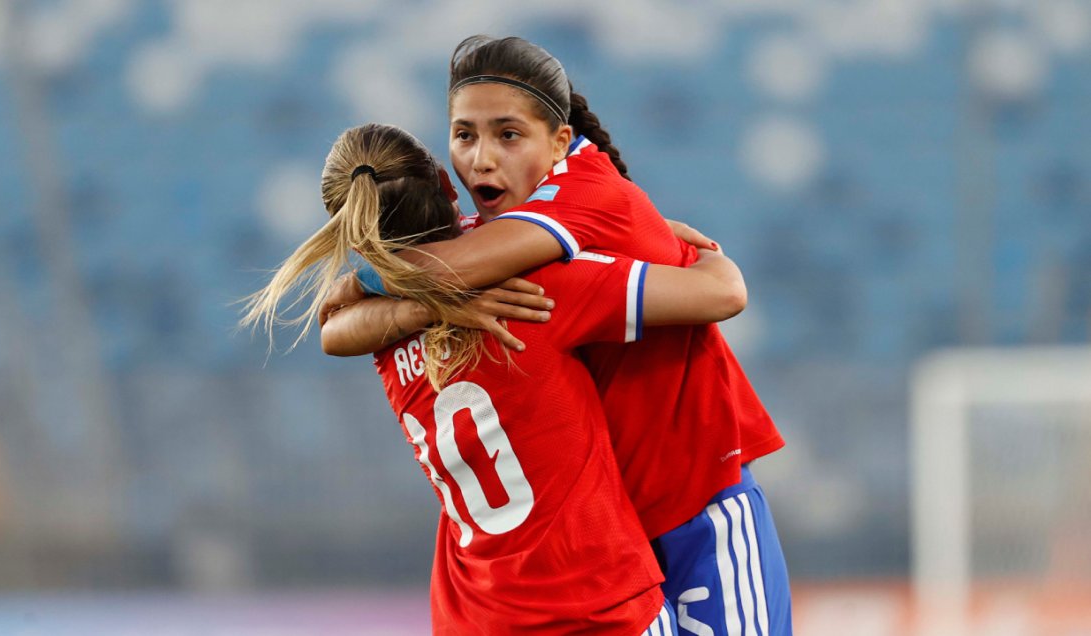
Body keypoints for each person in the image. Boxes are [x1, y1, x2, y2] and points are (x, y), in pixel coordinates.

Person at [322, 36, 792, 635]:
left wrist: (368, 276)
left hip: (692, 499)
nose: (482, 160)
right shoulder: (502, 249)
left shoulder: (570, 209)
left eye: (508, 134)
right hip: (611, 532)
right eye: (464, 135)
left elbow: (343, 322)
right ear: (443, 170)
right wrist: (423, 305)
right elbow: (345, 323)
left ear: (560, 142)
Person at [241, 123, 751, 634]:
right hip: (597, 602)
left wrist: (421, 302)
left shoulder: (380, 326)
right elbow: (721, 294)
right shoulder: (535, 291)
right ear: (446, 183)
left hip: (475, 612)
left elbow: (332, 326)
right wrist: (701, 249)